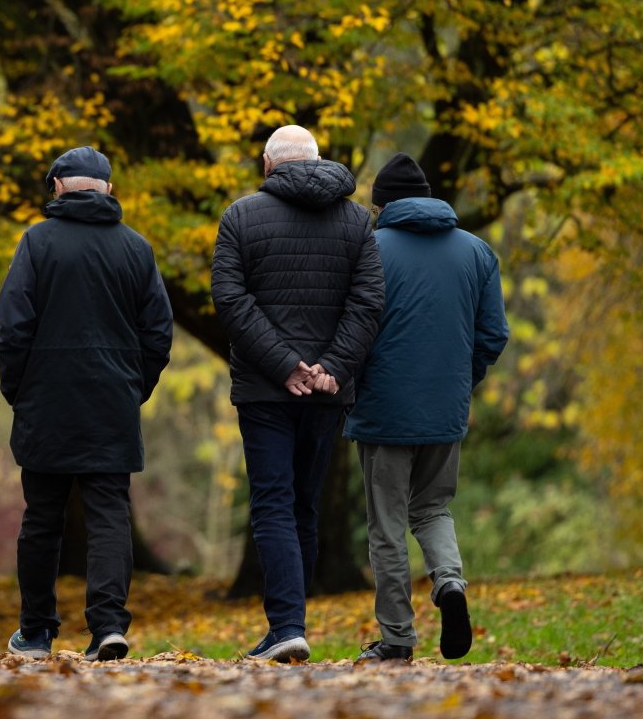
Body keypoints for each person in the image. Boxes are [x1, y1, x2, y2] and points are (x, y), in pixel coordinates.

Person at [211, 125, 385, 662]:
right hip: (329, 391)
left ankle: (287, 625)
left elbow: (229, 297)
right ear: (316, 160)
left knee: (272, 503)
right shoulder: (358, 220)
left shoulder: (240, 216)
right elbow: (369, 301)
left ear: (268, 166)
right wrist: (332, 367)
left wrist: (284, 365)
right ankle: (292, 623)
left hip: (266, 389)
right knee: (304, 505)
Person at [0, 146, 174, 662]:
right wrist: (131, 386)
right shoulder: (137, 249)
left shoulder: (35, 243)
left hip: (45, 400)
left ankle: (35, 631)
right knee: (109, 514)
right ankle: (108, 626)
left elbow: (13, 327)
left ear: (56, 187)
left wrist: (19, 391)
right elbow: (158, 333)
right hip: (111, 400)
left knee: (43, 518)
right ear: (108, 190)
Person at [345, 153, 509, 662]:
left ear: (382, 205)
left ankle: (397, 637)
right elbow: (493, 335)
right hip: (446, 407)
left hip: (383, 408)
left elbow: (351, 332)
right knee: (433, 507)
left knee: (387, 524)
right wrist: (461, 381)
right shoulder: (477, 252)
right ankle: (450, 583)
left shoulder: (367, 250)